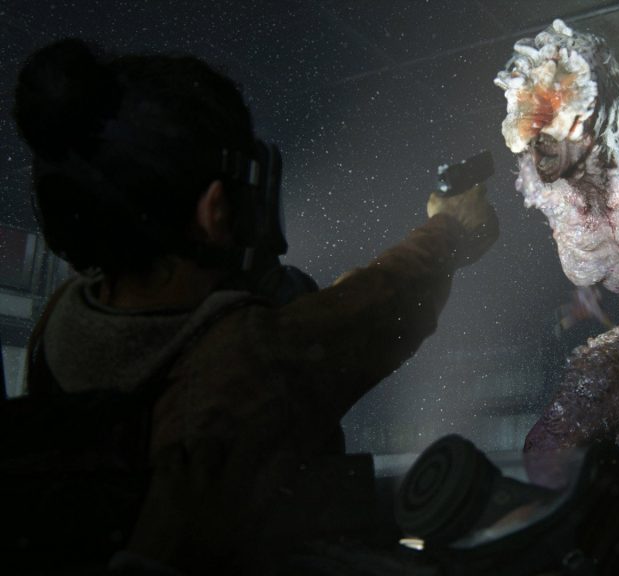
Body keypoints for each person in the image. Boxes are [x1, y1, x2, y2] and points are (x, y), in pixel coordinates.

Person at [12, 38, 498, 575]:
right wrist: (450, 230)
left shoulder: (62, 321)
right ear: (216, 211)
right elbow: (366, 311)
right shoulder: (244, 366)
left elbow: (310, 322)